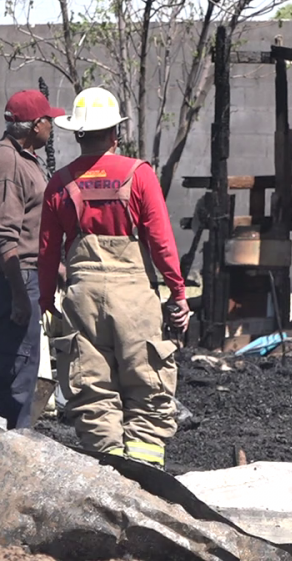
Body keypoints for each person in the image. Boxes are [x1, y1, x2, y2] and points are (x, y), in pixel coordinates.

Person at [38, 87, 189, 467]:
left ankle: (110, 473)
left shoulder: (59, 183)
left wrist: (45, 302)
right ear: (114, 134)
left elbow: (46, 250)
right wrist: (178, 293)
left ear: (77, 134)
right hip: (134, 296)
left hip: (82, 297)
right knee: (147, 382)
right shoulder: (139, 175)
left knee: (91, 390)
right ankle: (145, 471)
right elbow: (161, 242)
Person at [0, 89, 64, 428]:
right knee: (17, 369)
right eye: (49, 121)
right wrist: (19, 296)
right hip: (16, 278)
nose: (51, 128)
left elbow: (27, 224)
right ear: (36, 125)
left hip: (26, 275)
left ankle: (2, 438)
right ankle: (11, 443)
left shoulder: (19, 158)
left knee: (16, 363)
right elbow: (4, 235)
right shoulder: (8, 164)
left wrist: (52, 264)